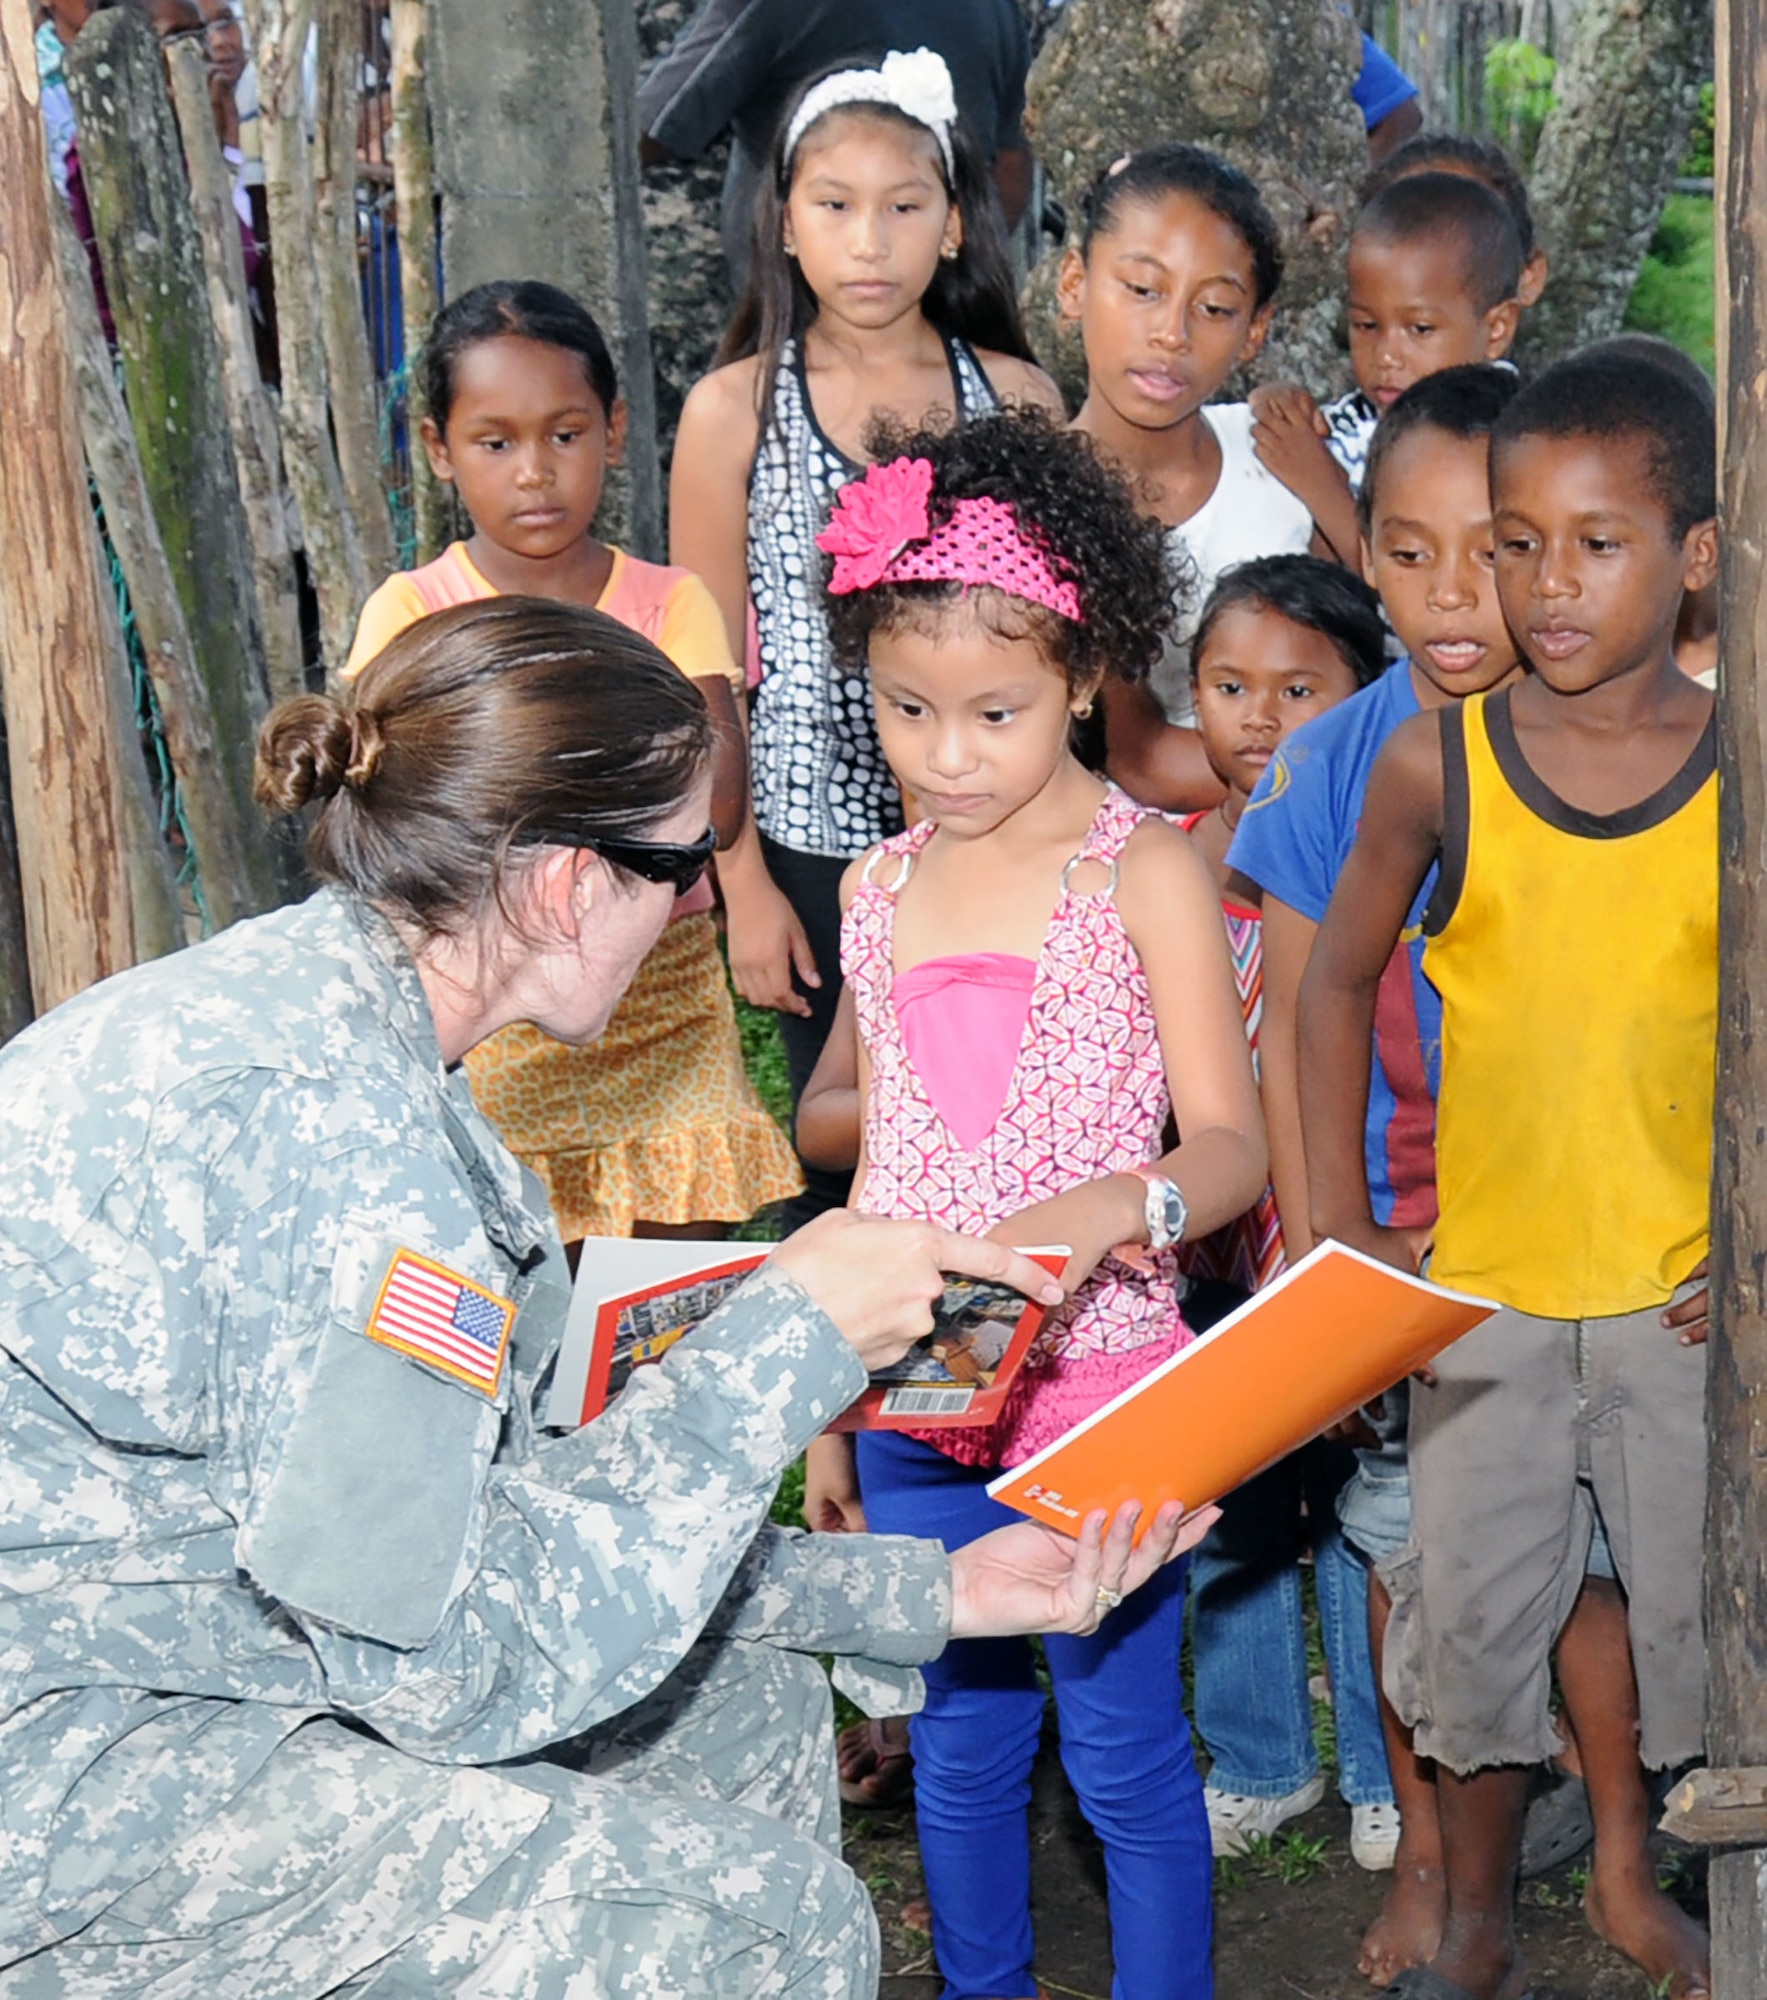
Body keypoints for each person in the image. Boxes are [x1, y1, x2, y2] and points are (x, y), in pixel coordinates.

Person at [0, 597, 1215, 1996]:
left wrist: (924, 1591)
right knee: (767, 1924)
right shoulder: (349, 1147)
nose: (703, 902)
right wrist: (778, 1352)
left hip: (194, 1644)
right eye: (684, 863)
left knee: (732, 1702)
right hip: (81, 1773)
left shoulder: (323, 1021)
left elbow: (487, 1531)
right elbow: (446, 1662)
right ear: (565, 884)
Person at [804, 410, 1268, 1999]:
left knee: (1131, 1757)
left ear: (1080, 675)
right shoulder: (874, 890)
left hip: (1108, 1381)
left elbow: (1230, 1148)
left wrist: (1110, 1205)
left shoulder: (1144, 871)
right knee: (955, 1749)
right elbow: (880, 1172)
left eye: (992, 711)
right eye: (904, 709)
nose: (945, 754)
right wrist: (823, 1403)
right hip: (923, 1387)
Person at [1296, 346, 1717, 2000]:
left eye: (1594, 543)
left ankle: (1646, 1880)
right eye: (1514, 539)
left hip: (1684, 1316)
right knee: (1468, 1647)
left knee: (1691, 1644)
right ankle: (1476, 1918)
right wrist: (1342, 1241)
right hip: (1480, 1309)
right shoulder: (1437, 766)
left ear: (1692, 552)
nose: (1542, 586)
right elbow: (1331, 985)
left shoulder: (1736, 767)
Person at [1226, 365, 1529, 1981]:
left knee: (1585, 1553)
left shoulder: (1597, 735)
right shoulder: (1330, 761)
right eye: (1407, 555)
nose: (1452, 596)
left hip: (1562, 1226)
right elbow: (1288, 1014)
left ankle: (1581, 1830)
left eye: (1494, 551)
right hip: (1389, 1238)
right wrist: (1317, 1240)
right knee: (1409, 1546)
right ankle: (1423, 1848)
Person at [670, 48, 1061, 1226]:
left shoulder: (1017, 398)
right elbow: (704, 665)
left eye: (904, 206)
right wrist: (742, 884)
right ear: (784, 222)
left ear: (954, 225)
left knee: (1001, 1108)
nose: (870, 239)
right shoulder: (736, 408)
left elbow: (1056, 638)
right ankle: (857, 1389)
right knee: (852, 1139)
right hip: (810, 840)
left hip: (999, 821)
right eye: (835, 206)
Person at [346, 281, 801, 1244]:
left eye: (565, 434)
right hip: (488, 1000)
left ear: (613, 429)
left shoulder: (669, 602)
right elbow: (397, 817)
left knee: (665, 1290)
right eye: (495, 441)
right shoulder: (409, 615)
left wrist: (527, 789)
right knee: (511, 1265)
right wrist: (628, 781)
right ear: (439, 450)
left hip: (659, 985)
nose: (535, 473)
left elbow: (714, 800)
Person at [1173, 557, 1398, 1867]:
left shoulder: (1384, 850)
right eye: (1228, 685)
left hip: (1342, 1221)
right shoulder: (1159, 866)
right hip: (1208, 1248)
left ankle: (1379, 1766)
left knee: (1360, 1504)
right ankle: (1260, 1757)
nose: (1258, 718)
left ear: (1363, 698)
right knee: (1234, 1511)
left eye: (1298, 688)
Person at [1057, 143, 1321, 812]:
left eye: (1214, 308)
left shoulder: (1283, 469)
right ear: (1073, 284)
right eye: (1142, 290)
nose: (1171, 332)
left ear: (1255, 331)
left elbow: (1347, 674)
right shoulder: (1029, 509)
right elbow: (1143, 760)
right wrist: (1340, 767)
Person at [638, 0, 1034, 283]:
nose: (870, 243)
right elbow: (1010, 168)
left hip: (797, 302)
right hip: (950, 288)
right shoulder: (997, 9)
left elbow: (649, 126)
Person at [1250, 171, 1524, 563]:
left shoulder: (1513, 441)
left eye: (1420, 329)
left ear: (1496, 329)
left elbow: (1404, 583)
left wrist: (1321, 484)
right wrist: (1279, 411)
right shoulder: (1356, 419)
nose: (1386, 356)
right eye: (1366, 326)